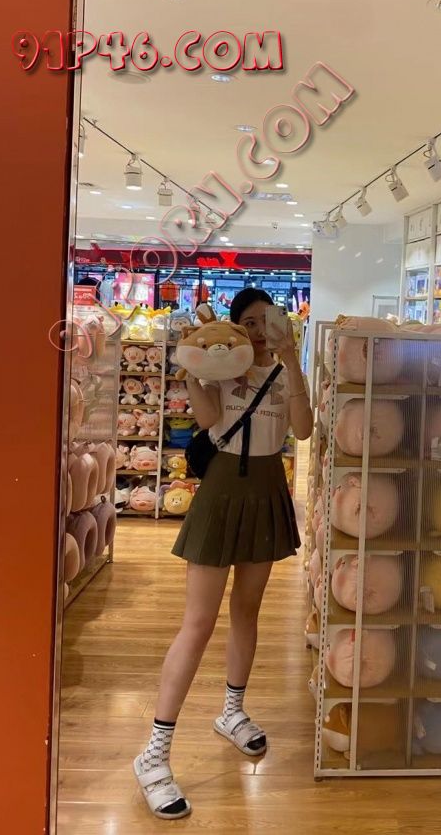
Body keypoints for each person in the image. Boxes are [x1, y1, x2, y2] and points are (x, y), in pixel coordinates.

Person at [134, 288, 313, 820]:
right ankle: (154, 752)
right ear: (234, 328)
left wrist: (293, 361)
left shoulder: (283, 373)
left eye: (266, 320)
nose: (258, 331)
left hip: (267, 490)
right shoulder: (218, 371)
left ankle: (232, 711)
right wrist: (194, 368)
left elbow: (303, 430)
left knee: (247, 611)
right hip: (221, 494)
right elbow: (211, 420)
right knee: (198, 623)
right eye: (248, 323)